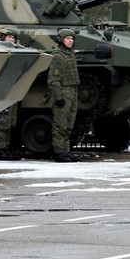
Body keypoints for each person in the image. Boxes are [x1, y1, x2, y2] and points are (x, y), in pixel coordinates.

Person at [48, 28, 80, 162]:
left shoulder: (70, 54)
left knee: (69, 124)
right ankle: (59, 152)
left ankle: (66, 150)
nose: (70, 41)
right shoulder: (58, 56)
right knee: (60, 124)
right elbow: (53, 79)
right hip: (64, 91)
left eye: (72, 39)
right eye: (67, 38)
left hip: (73, 91)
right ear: (61, 40)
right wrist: (58, 97)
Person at [0, 29, 22, 161]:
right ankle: (0, 149)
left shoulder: (17, 51)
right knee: (3, 122)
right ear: (4, 38)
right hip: (3, 90)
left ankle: (6, 147)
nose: (12, 40)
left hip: (13, 89)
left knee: (11, 122)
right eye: (9, 37)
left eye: (13, 38)